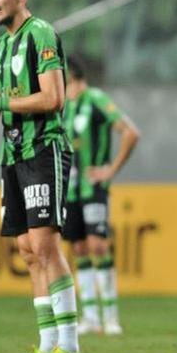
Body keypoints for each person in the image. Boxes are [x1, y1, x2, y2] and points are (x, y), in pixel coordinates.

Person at [0, 0, 80, 353]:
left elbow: (53, 98)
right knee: (28, 251)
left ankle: (69, 346)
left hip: (43, 150)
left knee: (46, 246)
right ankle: (47, 346)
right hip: (12, 156)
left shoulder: (41, 34)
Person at [61, 55, 140, 337]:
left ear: (70, 76)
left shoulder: (95, 99)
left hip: (93, 187)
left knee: (98, 246)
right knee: (79, 248)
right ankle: (91, 317)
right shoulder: (64, 107)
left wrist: (110, 170)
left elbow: (130, 132)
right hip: (69, 189)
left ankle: (110, 317)